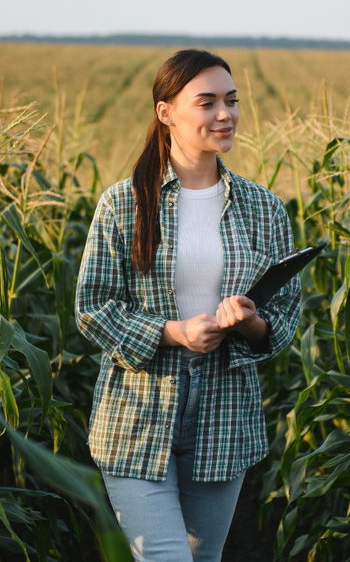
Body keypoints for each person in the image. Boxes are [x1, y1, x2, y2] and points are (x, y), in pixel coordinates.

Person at [74, 49, 302, 562]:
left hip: (225, 415)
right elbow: (92, 307)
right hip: (138, 413)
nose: (225, 114)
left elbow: (287, 317)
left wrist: (253, 324)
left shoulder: (263, 207)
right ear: (166, 112)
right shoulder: (125, 203)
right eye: (207, 102)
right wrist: (173, 333)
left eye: (231, 100)